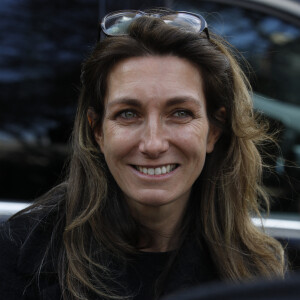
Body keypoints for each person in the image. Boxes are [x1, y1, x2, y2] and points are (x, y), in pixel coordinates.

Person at [0, 8, 286, 300]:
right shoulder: (17, 258)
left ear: (213, 130)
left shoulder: (259, 272)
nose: (153, 144)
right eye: (128, 114)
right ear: (97, 130)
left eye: (180, 113)